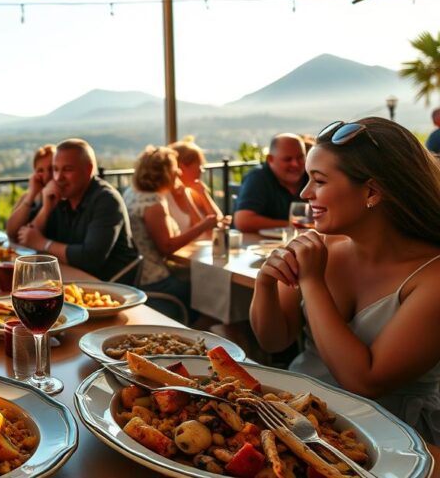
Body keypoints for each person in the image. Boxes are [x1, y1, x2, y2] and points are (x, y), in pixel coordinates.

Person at [250, 118, 440, 443]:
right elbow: (274, 340)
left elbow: (365, 381)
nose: (305, 192)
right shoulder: (321, 247)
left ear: (372, 191)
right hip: (295, 418)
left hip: (390, 440)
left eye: (319, 181)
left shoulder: (432, 277)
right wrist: (265, 284)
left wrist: (312, 283)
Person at [17, 138, 138, 281]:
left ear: (88, 169)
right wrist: (46, 208)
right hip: (72, 280)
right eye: (56, 169)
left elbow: (89, 259)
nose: (58, 178)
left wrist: (44, 244)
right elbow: (26, 238)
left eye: (67, 169)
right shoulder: (60, 197)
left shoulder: (107, 200)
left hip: (109, 288)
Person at [123, 146, 221, 320]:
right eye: (175, 168)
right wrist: (203, 226)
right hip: (152, 280)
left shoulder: (132, 193)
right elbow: (166, 247)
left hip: (134, 275)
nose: (178, 172)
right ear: (166, 172)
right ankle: (202, 334)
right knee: (208, 290)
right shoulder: (153, 204)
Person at [233, 133, 308, 232]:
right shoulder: (258, 178)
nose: (295, 164)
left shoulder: (312, 176)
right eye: (287, 159)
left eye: (300, 157)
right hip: (259, 245)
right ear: (270, 159)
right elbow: (243, 221)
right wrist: (295, 225)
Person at [167, 138, 224, 229]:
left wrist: (203, 194)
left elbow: (218, 220)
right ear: (182, 167)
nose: (201, 170)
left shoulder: (193, 191)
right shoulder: (169, 195)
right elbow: (199, 227)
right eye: (199, 165)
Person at [5, 144, 55, 239]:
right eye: (40, 170)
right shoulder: (27, 197)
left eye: (51, 169)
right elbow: (11, 232)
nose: (47, 175)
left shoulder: (63, 199)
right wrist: (31, 194)